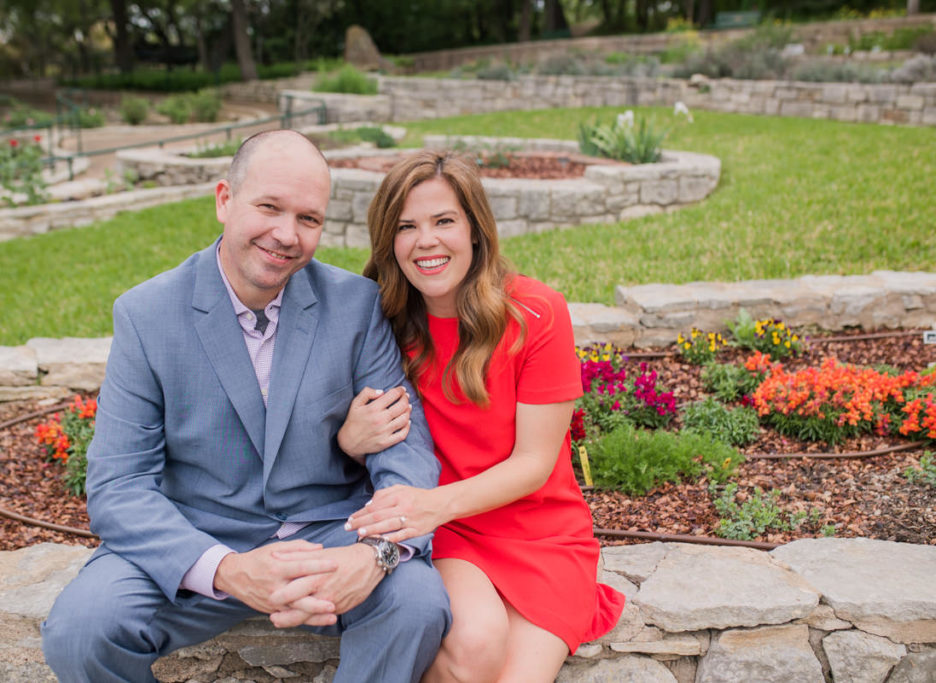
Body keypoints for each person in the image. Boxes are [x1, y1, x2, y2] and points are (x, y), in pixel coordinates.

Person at [41, 130, 451, 683]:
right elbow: (118, 486)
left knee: (418, 603)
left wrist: (375, 552)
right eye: (269, 207)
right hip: (199, 541)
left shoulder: (356, 306)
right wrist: (228, 570)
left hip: (332, 537)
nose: (287, 235)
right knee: (81, 629)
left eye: (309, 219)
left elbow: (405, 455)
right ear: (224, 200)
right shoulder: (147, 315)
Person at [341, 150, 626, 682]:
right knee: (474, 644)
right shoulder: (381, 323)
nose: (426, 240)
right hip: (450, 530)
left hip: (540, 531)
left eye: (444, 221)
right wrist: (351, 441)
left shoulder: (537, 313)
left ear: (475, 229)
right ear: (388, 241)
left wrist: (430, 506)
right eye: (406, 226)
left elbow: (534, 464)